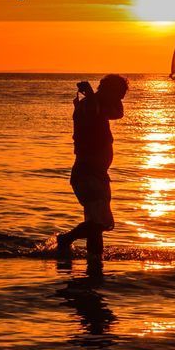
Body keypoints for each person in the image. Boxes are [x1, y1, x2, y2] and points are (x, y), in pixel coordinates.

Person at [58, 74, 129, 260]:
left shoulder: (100, 106)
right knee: (102, 222)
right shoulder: (88, 105)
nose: (120, 100)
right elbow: (91, 113)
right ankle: (65, 239)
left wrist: (99, 95)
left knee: (95, 227)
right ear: (108, 91)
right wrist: (92, 95)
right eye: (118, 94)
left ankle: (95, 262)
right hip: (87, 174)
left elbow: (118, 113)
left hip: (97, 175)